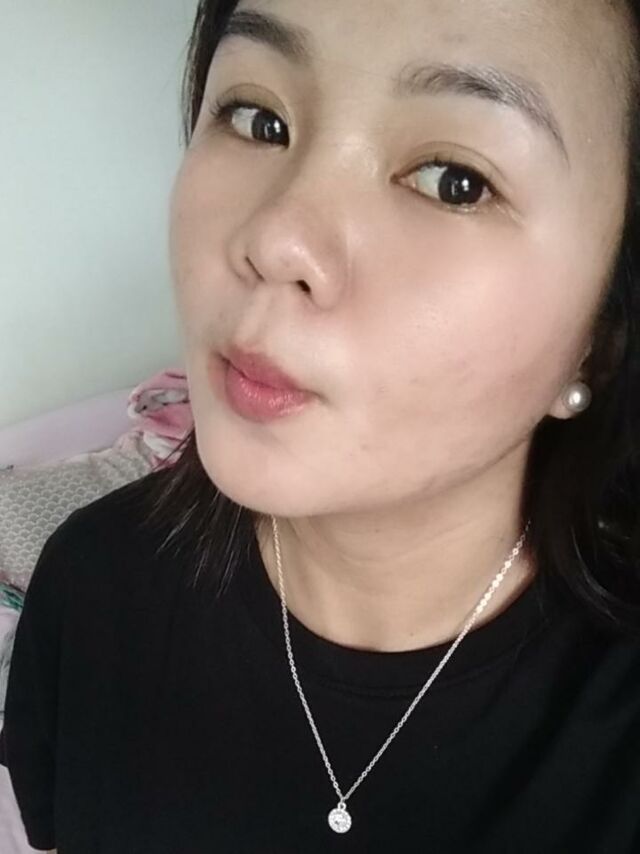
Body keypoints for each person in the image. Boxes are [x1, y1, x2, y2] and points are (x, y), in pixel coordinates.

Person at [2, 0, 640, 850]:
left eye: (453, 180)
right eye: (257, 118)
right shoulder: (92, 592)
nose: (275, 240)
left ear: (603, 337)